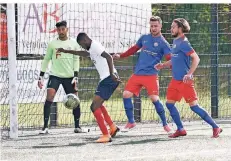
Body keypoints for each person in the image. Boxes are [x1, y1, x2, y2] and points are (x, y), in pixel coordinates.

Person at [155, 18, 222, 138]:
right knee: (169, 104)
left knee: (194, 107)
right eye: (171, 26)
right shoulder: (175, 41)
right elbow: (175, 59)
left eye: (173, 27)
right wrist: (163, 65)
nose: (171, 29)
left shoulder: (184, 42)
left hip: (185, 82)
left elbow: (196, 58)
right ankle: (180, 129)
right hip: (175, 80)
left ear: (180, 29)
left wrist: (190, 73)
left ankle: (216, 127)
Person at [57, 32, 121, 143]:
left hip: (108, 79)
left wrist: (112, 74)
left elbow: (109, 57)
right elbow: (83, 53)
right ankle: (112, 127)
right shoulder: (91, 48)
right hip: (106, 79)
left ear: (84, 40)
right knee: (98, 105)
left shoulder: (95, 46)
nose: (82, 47)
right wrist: (66, 51)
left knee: (94, 107)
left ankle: (106, 135)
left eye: (81, 44)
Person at [112, 16, 172, 133]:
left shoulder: (163, 43)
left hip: (151, 75)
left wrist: (170, 66)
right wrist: (121, 55)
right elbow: (134, 49)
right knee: (126, 94)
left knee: (154, 99)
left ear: (160, 26)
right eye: (151, 26)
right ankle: (131, 122)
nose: (153, 28)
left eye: (155, 26)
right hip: (138, 74)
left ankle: (165, 124)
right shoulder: (144, 38)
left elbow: (170, 58)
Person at [38, 20, 84, 134]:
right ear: (57, 30)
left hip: (70, 77)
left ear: (66, 29)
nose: (61, 31)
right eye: (59, 29)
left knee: (75, 100)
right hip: (55, 75)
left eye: (63, 29)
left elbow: (76, 59)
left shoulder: (74, 43)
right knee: (50, 97)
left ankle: (77, 126)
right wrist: (41, 76)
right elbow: (46, 59)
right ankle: (45, 127)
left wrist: (76, 76)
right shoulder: (52, 43)